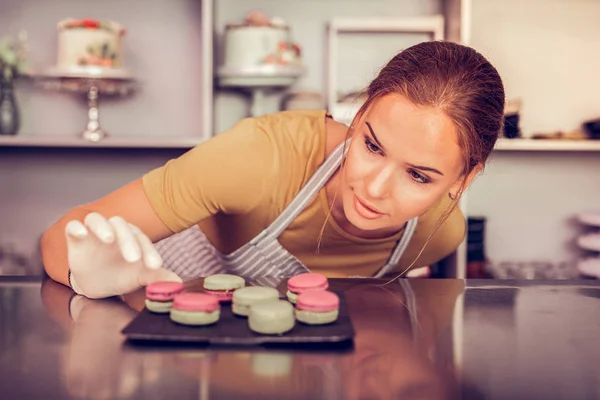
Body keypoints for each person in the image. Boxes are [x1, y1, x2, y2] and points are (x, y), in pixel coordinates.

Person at [40, 40, 505, 299]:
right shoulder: (257, 156)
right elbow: (61, 236)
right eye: (371, 145)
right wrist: (87, 277)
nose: (375, 188)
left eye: (419, 175)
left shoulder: (437, 237)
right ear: (358, 115)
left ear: (465, 178)